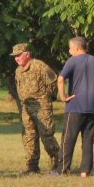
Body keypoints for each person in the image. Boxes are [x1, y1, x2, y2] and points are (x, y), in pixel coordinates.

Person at [57, 36, 94, 177]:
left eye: (70, 47)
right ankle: (85, 171)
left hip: (75, 106)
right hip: (91, 106)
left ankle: (63, 170)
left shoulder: (72, 61)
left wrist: (63, 97)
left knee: (68, 138)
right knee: (88, 139)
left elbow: (60, 79)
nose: (69, 50)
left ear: (77, 47)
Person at [12, 42, 61, 175]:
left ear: (27, 54)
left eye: (19, 55)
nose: (16, 58)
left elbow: (53, 81)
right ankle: (32, 165)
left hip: (42, 107)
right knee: (28, 136)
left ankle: (57, 163)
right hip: (27, 107)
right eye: (15, 56)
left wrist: (48, 97)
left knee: (46, 135)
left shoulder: (39, 66)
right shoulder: (18, 71)